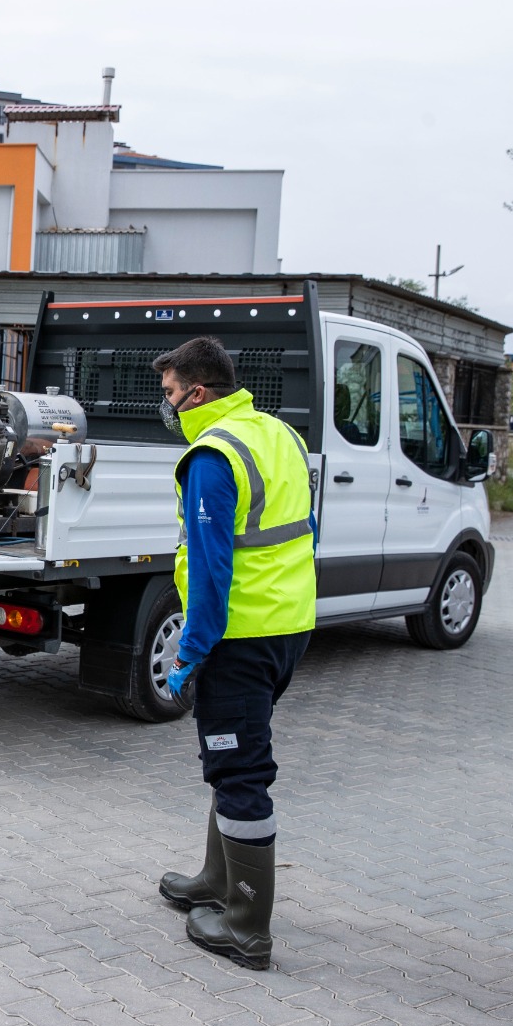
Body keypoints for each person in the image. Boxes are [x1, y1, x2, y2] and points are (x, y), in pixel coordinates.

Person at [151, 337, 317, 970]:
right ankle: (215, 881)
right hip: (287, 628)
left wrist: (191, 651)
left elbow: (215, 568)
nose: (165, 405)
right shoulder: (279, 436)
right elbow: (304, 531)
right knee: (233, 753)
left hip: (238, 638)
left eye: (170, 393)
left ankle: (246, 925)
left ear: (198, 392)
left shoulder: (213, 455)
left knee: (239, 770)